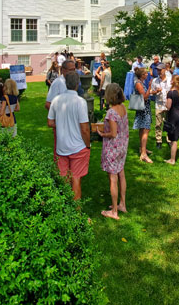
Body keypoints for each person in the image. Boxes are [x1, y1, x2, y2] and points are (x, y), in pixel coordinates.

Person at [47, 72, 91, 200]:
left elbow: (50, 122)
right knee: (76, 179)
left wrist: (60, 124)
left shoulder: (56, 100)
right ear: (78, 84)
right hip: (78, 147)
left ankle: (66, 213)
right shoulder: (80, 102)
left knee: (64, 178)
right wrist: (88, 145)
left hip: (61, 146)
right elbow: (84, 129)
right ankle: (76, 215)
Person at [99, 83, 129, 219]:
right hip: (123, 146)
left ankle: (114, 211)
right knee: (121, 174)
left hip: (113, 148)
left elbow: (113, 133)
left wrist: (101, 134)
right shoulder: (123, 107)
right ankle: (122, 204)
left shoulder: (111, 112)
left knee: (113, 178)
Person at [164, 74, 179, 165]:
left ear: (173, 81)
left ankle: (172, 159)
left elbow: (168, 106)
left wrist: (166, 104)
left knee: (173, 139)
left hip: (173, 116)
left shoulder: (170, 93)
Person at [132, 67, 153, 163]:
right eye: (145, 73)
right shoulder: (139, 84)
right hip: (144, 110)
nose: (147, 74)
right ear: (142, 75)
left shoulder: (140, 82)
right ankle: (143, 154)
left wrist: (153, 91)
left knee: (142, 129)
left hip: (144, 109)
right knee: (145, 130)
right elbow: (144, 97)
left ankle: (142, 148)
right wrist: (149, 87)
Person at [151, 64, 171, 150]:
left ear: (165, 70)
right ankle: (158, 140)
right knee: (158, 123)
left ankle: (169, 139)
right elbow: (151, 91)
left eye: (160, 70)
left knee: (169, 122)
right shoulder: (155, 81)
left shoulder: (170, 80)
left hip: (168, 104)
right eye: (157, 70)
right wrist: (156, 91)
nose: (159, 72)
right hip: (159, 104)